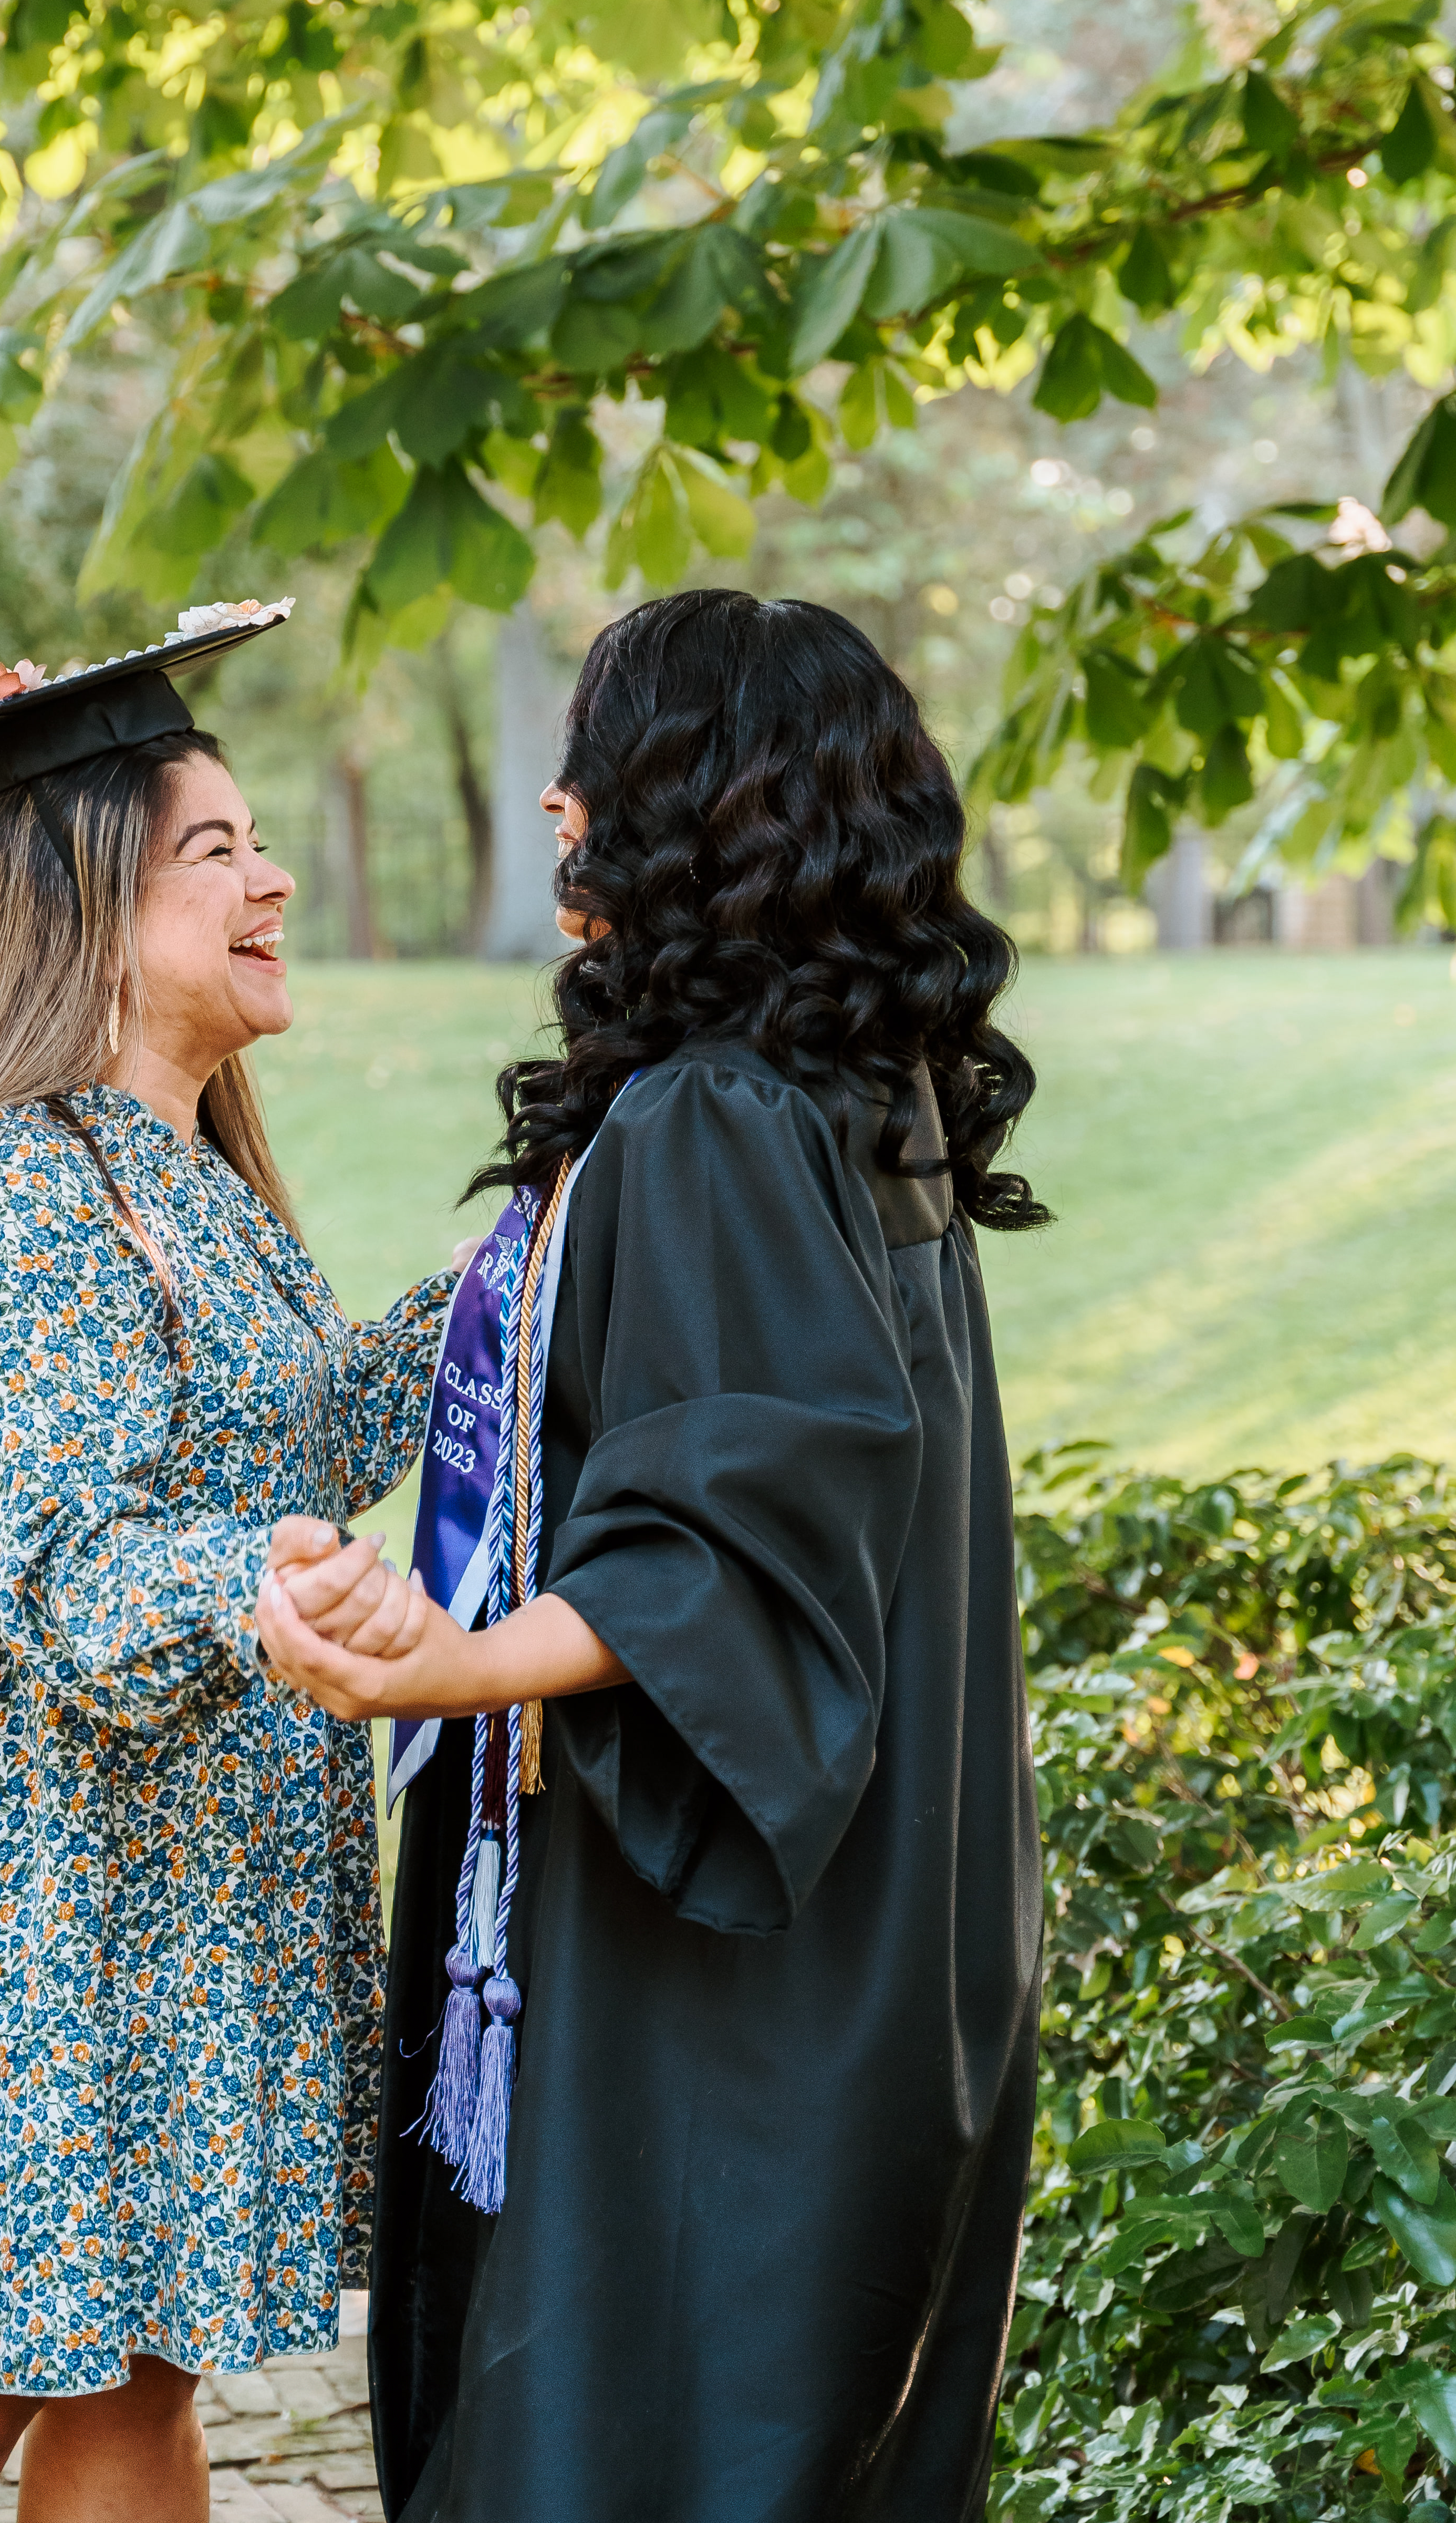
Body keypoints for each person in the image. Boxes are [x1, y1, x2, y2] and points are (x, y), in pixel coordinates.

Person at [259, 587, 1049, 2523]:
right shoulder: (877, 1110)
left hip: (721, 1960)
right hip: (897, 1916)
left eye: (595, 759)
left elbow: (729, 1528)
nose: (552, 800)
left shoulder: (713, 1119)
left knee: (634, 2437)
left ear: (699, 800)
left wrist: (439, 1666)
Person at [0, 601, 449, 2523]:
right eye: (215, 850)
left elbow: (298, 1443)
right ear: (82, 901)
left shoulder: (188, 1182)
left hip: (164, 1896)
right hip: (20, 1902)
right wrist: (269, 1585)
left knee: (137, 2384)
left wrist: (535, 1260)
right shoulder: (7, 1199)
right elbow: (76, 1586)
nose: (272, 876)